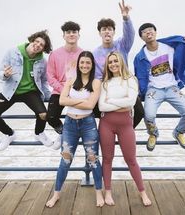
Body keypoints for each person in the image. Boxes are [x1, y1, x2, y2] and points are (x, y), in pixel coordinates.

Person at [46, 51, 104, 208]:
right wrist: (82, 100)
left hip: (88, 124)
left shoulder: (96, 82)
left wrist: (72, 101)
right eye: (82, 62)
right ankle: (56, 194)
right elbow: (62, 100)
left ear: (92, 65)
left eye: (88, 63)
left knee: (93, 159)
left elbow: (90, 106)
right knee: (65, 160)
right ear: (78, 64)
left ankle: (99, 192)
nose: (84, 65)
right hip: (70, 124)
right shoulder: (71, 80)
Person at [98, 51, 151, 206]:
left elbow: (131, 102)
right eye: (110, 62)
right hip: (106, 124)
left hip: (126, 124)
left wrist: (112, 100)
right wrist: (120, 101)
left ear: (121, 62)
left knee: (131, 160)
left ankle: (143, 192)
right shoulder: (105, 83)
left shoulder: (130, 80)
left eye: (116, 61)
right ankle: (107, 192)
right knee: (107, 159)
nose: (113, 64)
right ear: (107, 65)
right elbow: (101, 106)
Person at [0, 30, 53, 151]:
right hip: (11, 90)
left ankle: (39, 133)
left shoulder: (42, 61)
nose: (38, 45)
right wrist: (5, 75)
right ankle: (9, 134)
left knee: (43, 114)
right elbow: (1, 73)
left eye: (42, 45)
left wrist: (49, 95)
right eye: (37, 41)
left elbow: (44, 81)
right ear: (32, 40)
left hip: (30, 92)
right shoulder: (12, 52)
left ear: (43, 49)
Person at [134, 23, 185, 151]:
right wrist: (140, 92)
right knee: (148, 116)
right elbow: (139, 76)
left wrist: (184, 41)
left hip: (172, 87)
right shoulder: (140, 57)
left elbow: (181, 50)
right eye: (144, 32)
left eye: (150, 30)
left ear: (155, 32)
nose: (148, 32)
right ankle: (153, 134)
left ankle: (179, 132)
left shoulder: (168, 47)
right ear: (141, 37)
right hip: (154, 90)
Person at [93, 0, 144, 128]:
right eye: (103, 29)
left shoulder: (122, 45)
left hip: (125, 85)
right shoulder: (95, 53)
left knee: (139, 112)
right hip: (107, 88)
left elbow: (130, 34)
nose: (107, 31)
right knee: (97, 110)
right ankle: (109, 131)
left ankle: (125, 131)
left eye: (110, 29)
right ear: (100, 33)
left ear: (114, 32)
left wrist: (126, 18)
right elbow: (97, 76)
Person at [47, 21, 83, 150]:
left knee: (93, 113)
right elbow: (50, 77)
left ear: (79, 35)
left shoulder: (83, 54)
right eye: (68, 32)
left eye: (74, 32)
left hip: (79, 91)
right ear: (63, 35)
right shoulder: (55, 54)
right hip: (59, 91)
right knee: (50, 117)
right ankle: (63, 133)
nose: (71, 34)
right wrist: (64, 90)